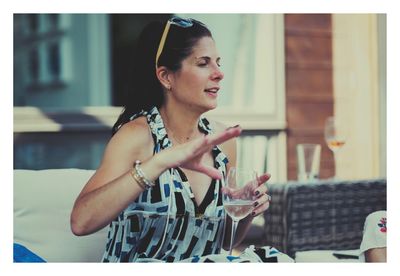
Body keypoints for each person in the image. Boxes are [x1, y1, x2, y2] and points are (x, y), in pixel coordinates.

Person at [70, 16, 292, 263]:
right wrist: (159, 162)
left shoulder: (221, 142)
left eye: (218, 62)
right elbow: (81, 222)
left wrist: (244, 210)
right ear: (166, 77)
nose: (219, 74)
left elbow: (225, 242)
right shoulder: (137, 136)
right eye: (203, 63)